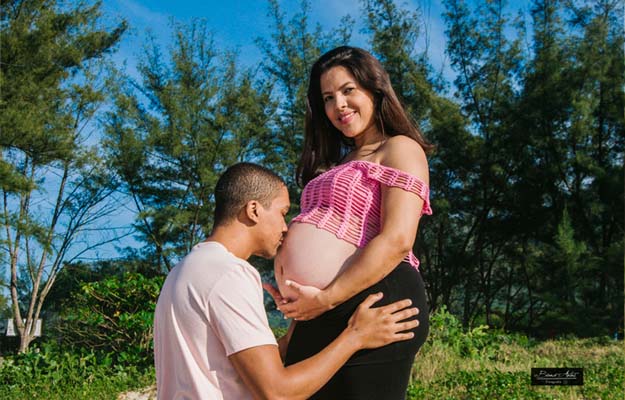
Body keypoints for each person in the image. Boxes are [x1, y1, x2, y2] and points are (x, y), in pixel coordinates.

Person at [153, 162, 421, 400]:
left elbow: (228, 368)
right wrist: (355, 337)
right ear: (254, 210)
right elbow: (277, 392)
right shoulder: (228, 275)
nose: (286, 227)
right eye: (282, 213)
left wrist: (297, 320)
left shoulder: (183, 272)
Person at [270, 46, 433, 399]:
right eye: (328, 98)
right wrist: (296, 328)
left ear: (374, 89)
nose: (339, 105)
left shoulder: (399, 148)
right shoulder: (337, 162)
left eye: (348, 90)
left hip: (377, 298)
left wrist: (326, 298)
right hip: (322, 310)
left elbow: (397, 238)